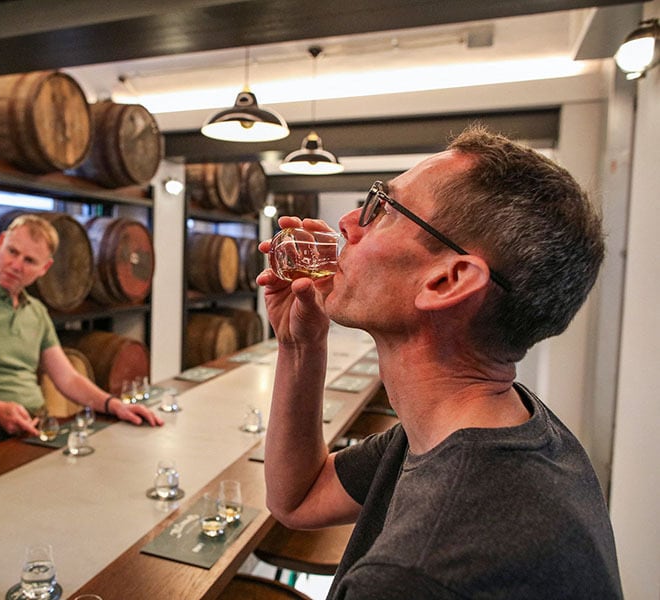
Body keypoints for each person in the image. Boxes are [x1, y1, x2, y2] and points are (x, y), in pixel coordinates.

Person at [258, 125, 622, 599]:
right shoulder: (502, 427)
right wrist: (299, 346)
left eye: (382, 208)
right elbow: (298, 499)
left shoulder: (416, 574)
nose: (348, 222)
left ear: (447, 280)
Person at [0, 213, 162, 460]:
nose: (16, 265)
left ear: (44, 268)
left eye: (29, 260)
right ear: (0, 242)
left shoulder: (36, 311)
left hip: (33, 429)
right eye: (12, 252)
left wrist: (113, 405)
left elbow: (67, 378)